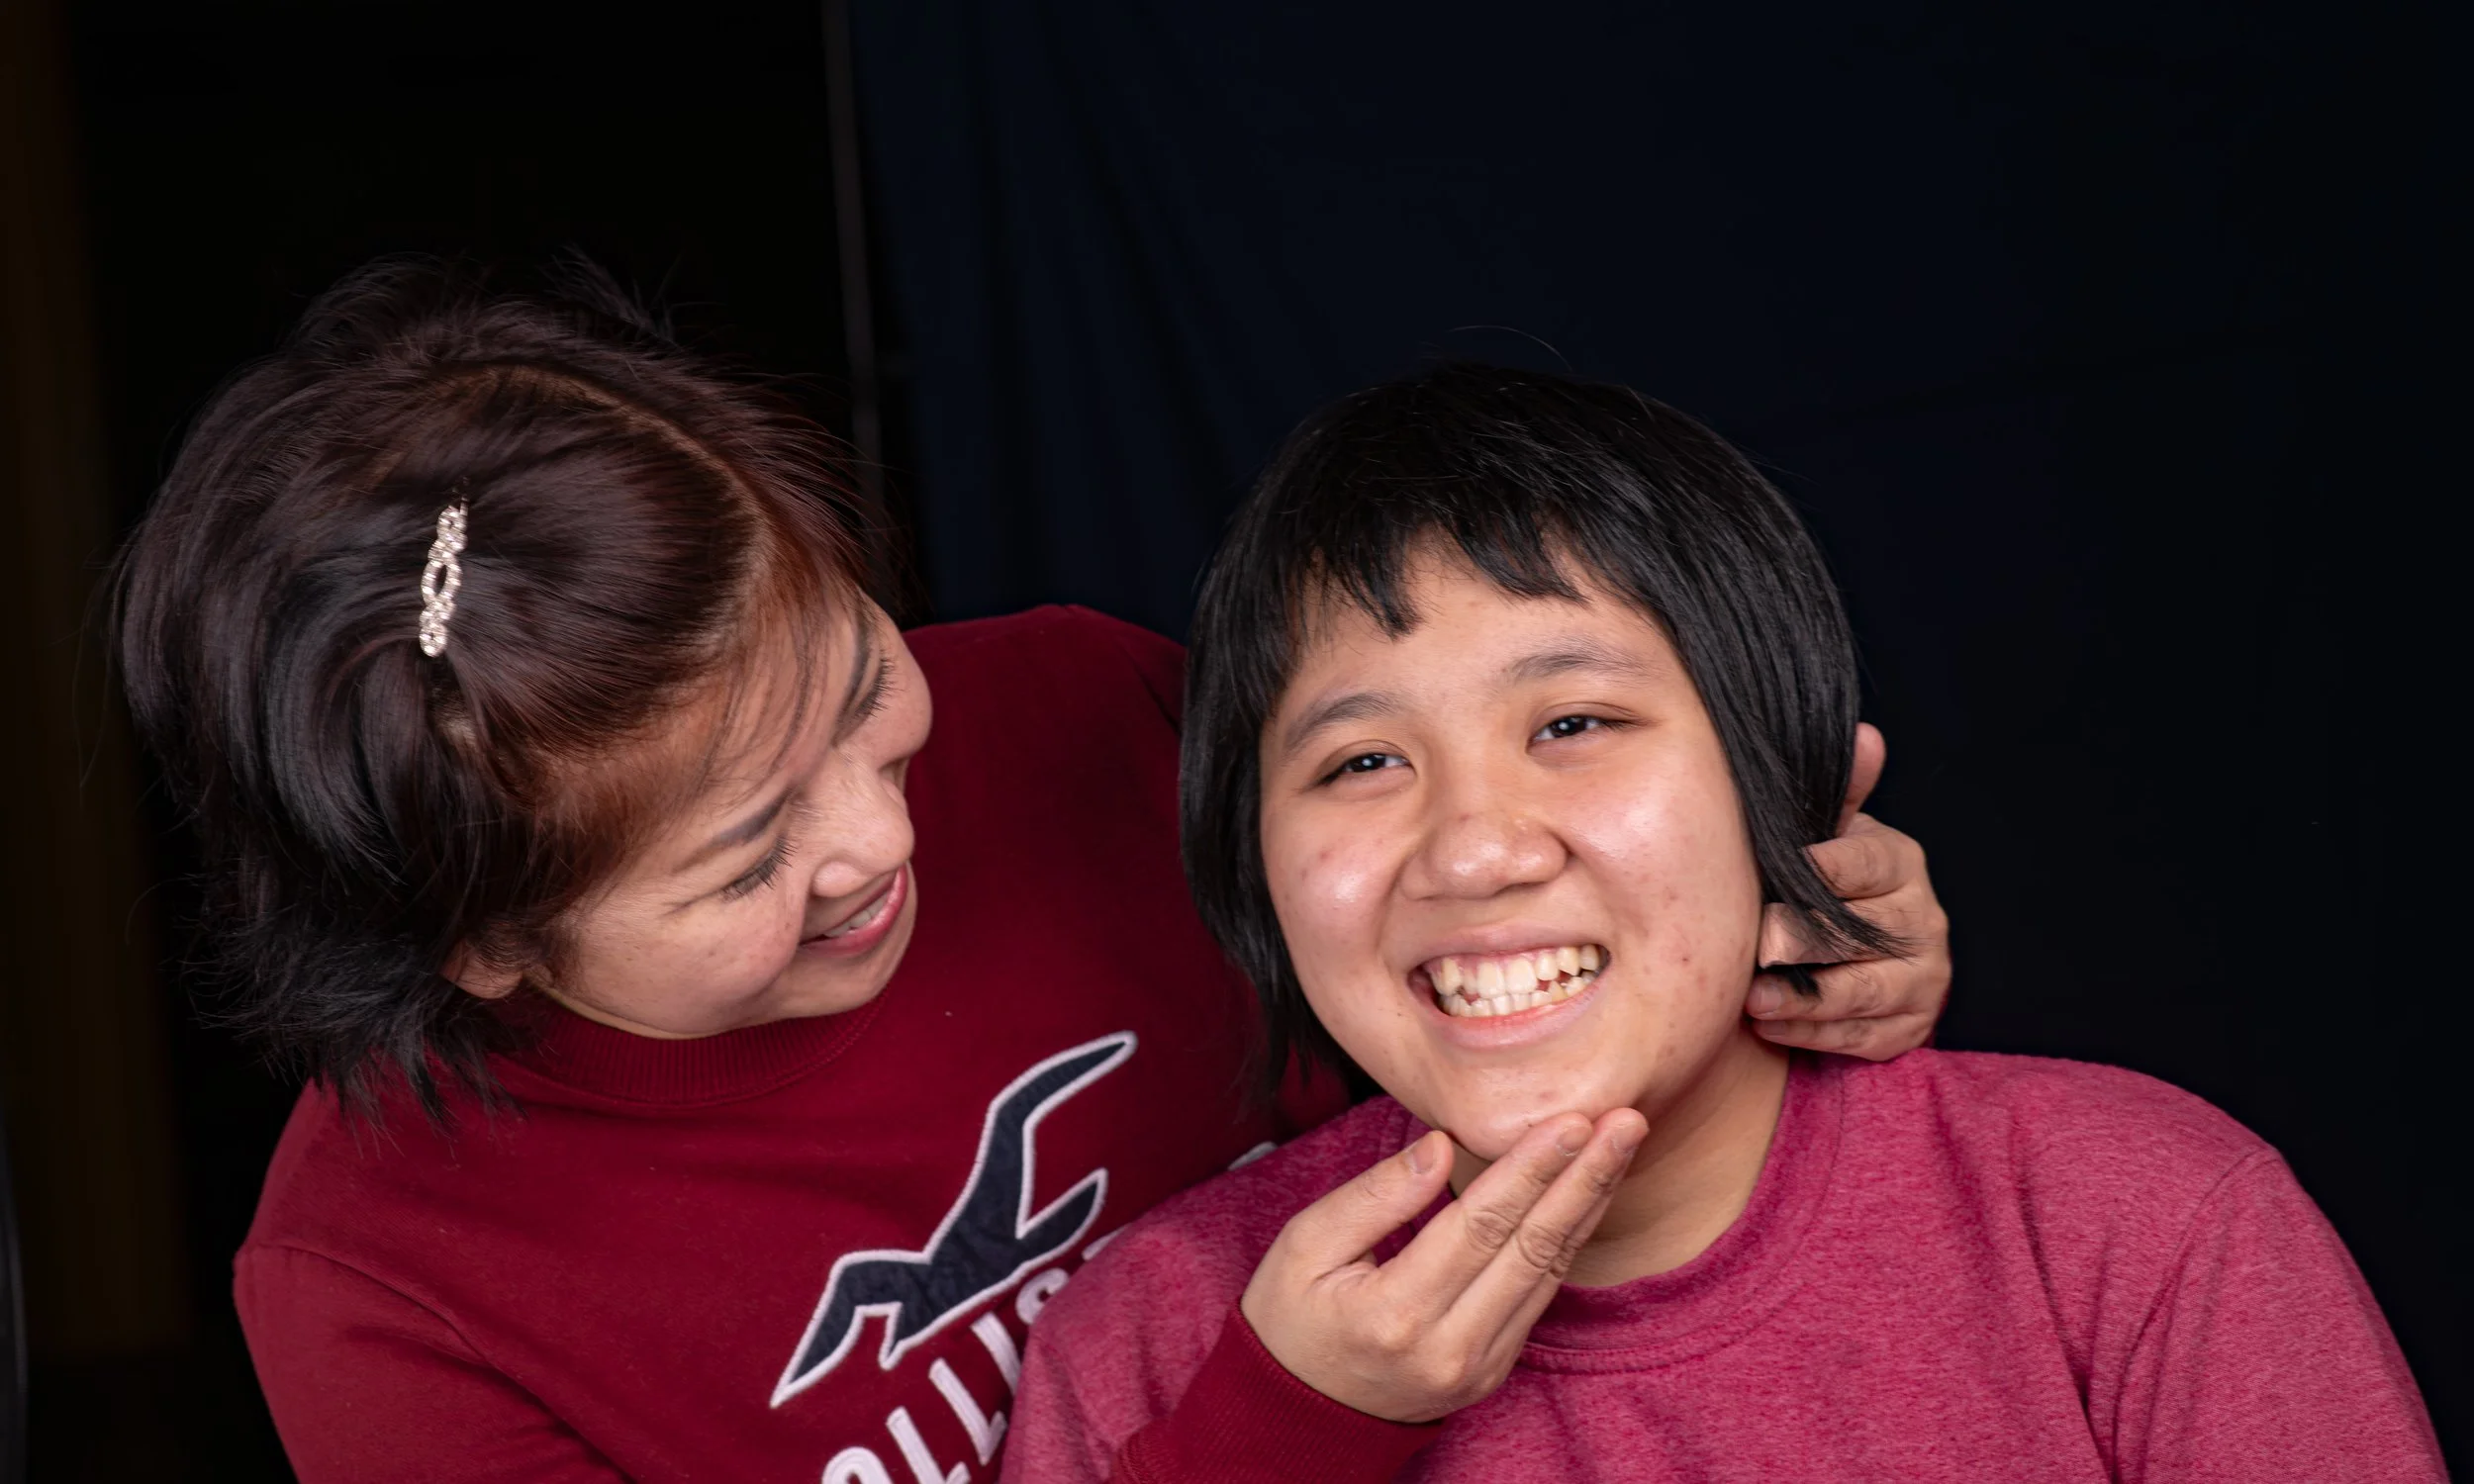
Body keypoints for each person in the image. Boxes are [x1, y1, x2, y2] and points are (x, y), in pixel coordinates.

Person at [113, 264, 1954, 1482]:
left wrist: (1763, 929)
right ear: (489, 944)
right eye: (746, 858)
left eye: (860, 696)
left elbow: (1488, 921)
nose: (879, 842)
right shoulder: (384, 1291)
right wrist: (1285, 1424)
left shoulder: (1087, 707)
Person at [1001, 364, 2446, 1482]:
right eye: (1362, 761)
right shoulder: (1149, 1350)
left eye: (1573, 723)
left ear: (1787, 778)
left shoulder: (2134, 1223)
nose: (1478, 848)